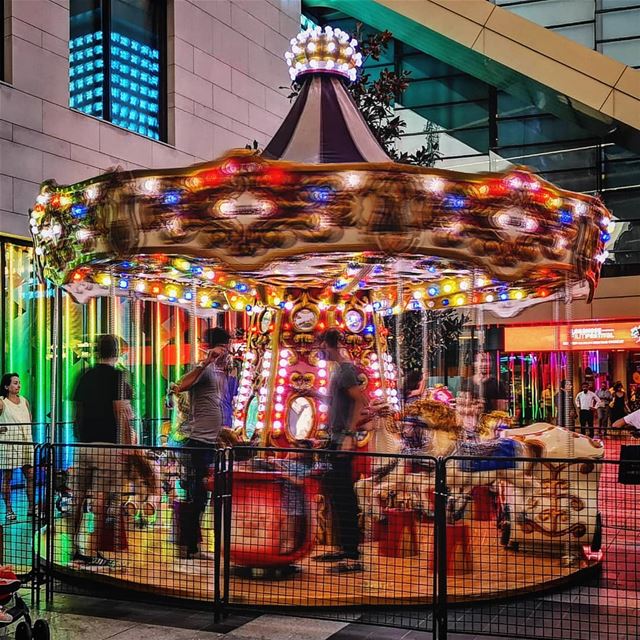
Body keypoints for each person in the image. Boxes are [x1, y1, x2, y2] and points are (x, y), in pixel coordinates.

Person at [71, 335, 134, 567]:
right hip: (106, 444)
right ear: (117, 353)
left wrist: (79, 436)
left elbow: (78, 410)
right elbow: (121, 411)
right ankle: (94, 551)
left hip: (83, 444)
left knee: (78, 497)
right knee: (101, 500)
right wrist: (128, 447)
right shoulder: (118, 376)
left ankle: (75, 548)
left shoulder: (85, 375)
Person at [313, 328, 369, 573]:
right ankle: (344, 548)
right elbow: (342, 402)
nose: (319, 351)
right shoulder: (339, 370)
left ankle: (353, 555)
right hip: (335, 438)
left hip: (341, 439)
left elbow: (359, 400)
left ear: (328, 343)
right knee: (336, 493)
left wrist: (349, 435)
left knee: (344, 495)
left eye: (320, 346)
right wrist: (314, 395)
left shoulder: (345, 369)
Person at [173, 327, 230, 561]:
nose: (228, 350)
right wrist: (205, 362)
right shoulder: (204, 369)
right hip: (196, 443)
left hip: (208, 443)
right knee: (197, 497)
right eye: (226, 346)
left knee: (203, 497)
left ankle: (194, 545)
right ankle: (187, 547)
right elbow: (180, 386)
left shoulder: (218, 372)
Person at [0, 373, 34, 522]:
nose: (18, 385)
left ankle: (32, 508)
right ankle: (9, 510)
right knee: (8, 477)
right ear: (7, 386)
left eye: (19, 383)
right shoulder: (2, 402)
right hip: (9, 443)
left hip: (25, 442)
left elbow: (30, 419)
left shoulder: (24, 401)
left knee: (31, 475)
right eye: (14, 383)